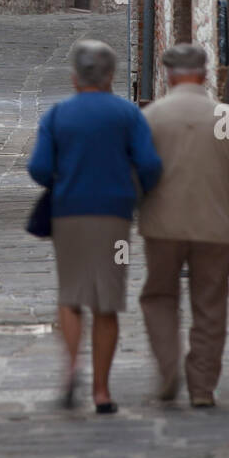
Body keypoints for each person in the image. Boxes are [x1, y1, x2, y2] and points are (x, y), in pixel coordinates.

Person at [27, 39, 162, 414]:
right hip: (113, 218)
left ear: (74, 78)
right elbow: (150, 164)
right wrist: (137, 192)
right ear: (111, 76)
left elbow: (38, 168)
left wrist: (65, 174)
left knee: (70, 295)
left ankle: (72, 368)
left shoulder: (57, 116)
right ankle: (101, 391)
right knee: (107, 302)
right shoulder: (128, 115)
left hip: (68, 214)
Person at [139, 42, 229, 409]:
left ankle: (168, 367)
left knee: (159, 298)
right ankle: (203, 387)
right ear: (204, 75)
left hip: (162, 227)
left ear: (168, 75)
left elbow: (138, 175)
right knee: (210, 305)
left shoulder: (151, 118)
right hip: (214, 228)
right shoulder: (223, 116)